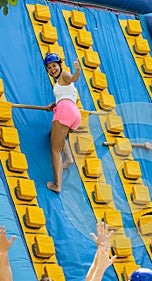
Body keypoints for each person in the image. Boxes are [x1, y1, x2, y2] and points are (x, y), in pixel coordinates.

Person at [44, 53, 82, 192]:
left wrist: (77, 70)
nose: (52, 69)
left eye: (54, 66)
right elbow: (64, 97)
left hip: (65, 111)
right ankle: (69, 160)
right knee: (57, 136)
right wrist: (54, 104)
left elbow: (73, 78)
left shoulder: (65, 74)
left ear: (59, 65)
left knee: (55, 150)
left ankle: (57, 185)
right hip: (73, 113)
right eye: (49, 68)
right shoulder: (60, 81)